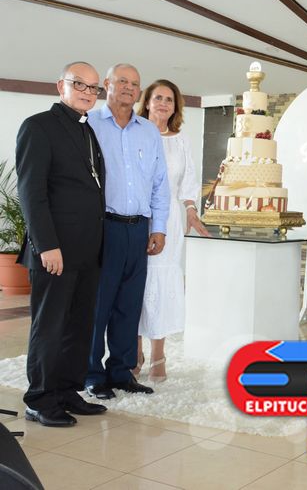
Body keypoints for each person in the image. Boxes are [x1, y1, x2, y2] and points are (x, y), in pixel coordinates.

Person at [16, 61, 107, 426]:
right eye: (79, 84)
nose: (87, 92)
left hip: (87, 249)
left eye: (93, 87)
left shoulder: (87, 130)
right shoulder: (38, 126)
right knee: (50, 327)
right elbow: (31, 192)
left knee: (79, 327)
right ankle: (40, 398)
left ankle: (67, 391)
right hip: (55, 250)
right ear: (61, 86)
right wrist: (46, 245)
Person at [85, 63, 170, 399]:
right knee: (98, 305)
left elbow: (160, 184)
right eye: (122, 81)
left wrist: (158, 228)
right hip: (102, 228)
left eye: (135, 84)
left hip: (139, 230)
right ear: (107, 84)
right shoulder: (89, 123)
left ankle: (121, 372)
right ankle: (92, 375)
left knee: (129, 305)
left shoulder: (148, 131)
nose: (129, 88)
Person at [134, 79, 209, 382]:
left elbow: (189, 180)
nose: (163, 104)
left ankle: (158, 354)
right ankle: (134, 352)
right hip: (137, 217)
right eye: (158, 98)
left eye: (169, 99)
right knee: (135, 284)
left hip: (169, 222)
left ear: (175, 106)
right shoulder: (134, 134)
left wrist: (191, 209)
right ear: (147, 102)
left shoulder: (181, 141)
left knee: (161, 285)